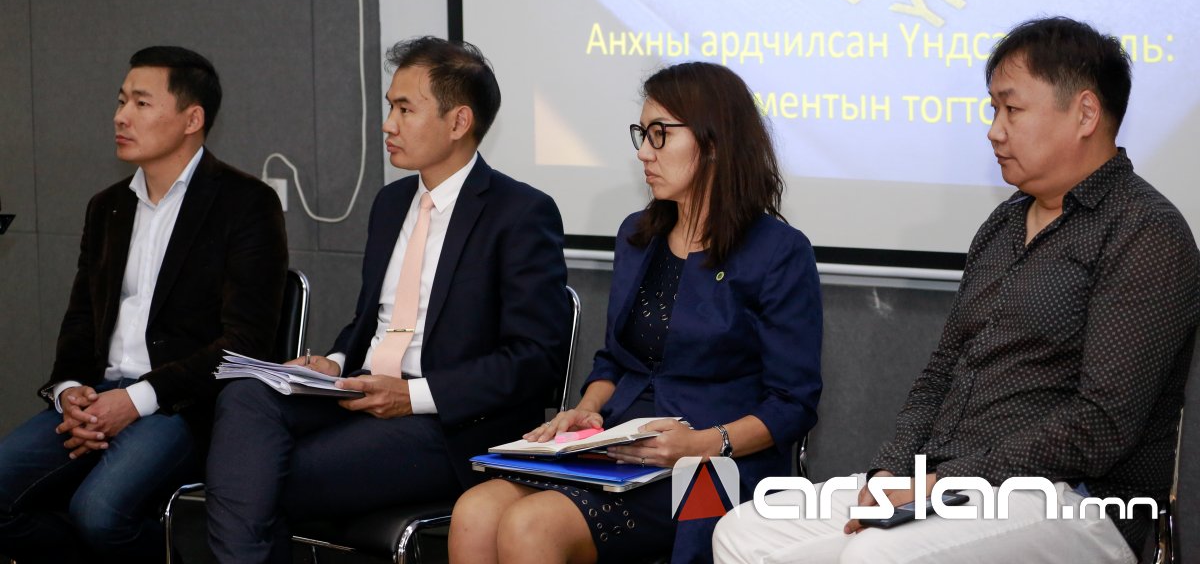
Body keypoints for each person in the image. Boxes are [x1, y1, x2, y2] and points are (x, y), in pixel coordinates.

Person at [713, 17, 1200, 564]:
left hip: (1074, 499)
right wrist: (892, 470)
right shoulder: (1003, 224)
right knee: (744, 531)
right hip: (948, 479)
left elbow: (1101, 424)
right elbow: (943, 370)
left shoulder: (1146, 232)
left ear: (1085, 113)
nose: (994, 130)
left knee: (876, 555)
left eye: (1011, 109)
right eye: (994, 110)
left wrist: (949, 480)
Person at [204, 36, 572, 563]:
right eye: (389, 107)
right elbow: (371, 321)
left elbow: (534, 359)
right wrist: (333, 362)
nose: (387, 124)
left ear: (458, 121)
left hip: (448, 424)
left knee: (257, 474)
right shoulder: (391, 202)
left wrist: (412, 395)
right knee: (245, 396)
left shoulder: (519, 213)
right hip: (360, 394)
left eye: (405, 109)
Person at [448, 61, 823, 564]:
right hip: (621, 446)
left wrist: (701, 444)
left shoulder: (778, 252)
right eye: (642, 135)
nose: (644, 151)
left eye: (660, 135)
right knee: (474, 511)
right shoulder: (638, 234)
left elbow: (793, 403)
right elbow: (615, 360)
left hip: (716, 464)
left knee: (530, 525)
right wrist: (587, 409)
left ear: (714, 142)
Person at [0, 46, 289, 563]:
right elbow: (81, 317)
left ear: (192, 119)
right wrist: (68, 389)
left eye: (140, 102)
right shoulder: (107, 206)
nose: (120, 116)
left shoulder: (245, 203)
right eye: (120, 101)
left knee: (99, 514)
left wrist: (137, 399)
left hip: (183, 405)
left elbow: (246, 343)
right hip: (96, 397)